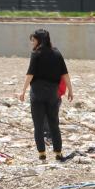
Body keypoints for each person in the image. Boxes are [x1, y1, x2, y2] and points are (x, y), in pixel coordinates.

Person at [19, 29, 73, 161]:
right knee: (54, 124)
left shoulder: (36, 54)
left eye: (34, 40)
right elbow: (64, 74)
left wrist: (23, 90)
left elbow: (30, 74)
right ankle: (58, 153)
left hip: (37, 94)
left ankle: (42, 154)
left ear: (39, 40)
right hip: (52, 94)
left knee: (38, 125)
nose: (32, 43)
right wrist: (70, 90)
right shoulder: (57, 53)